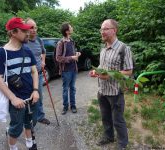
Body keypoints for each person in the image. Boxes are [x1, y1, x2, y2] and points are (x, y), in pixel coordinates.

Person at [0, 17, 39, 150]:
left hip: (31, 97)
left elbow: (34, 72)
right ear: (13, 33)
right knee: (16, 127)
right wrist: (13, 98)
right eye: (24, 31)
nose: (28, 33)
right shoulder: (1, 53)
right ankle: (13, 147)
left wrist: (35, 90)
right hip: (16, 100)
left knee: (30, 122)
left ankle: (29, 142)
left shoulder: (27, 50)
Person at [89, 19, 134, 150]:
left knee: (118, 120)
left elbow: (129, 71)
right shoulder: (103, 49)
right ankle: (108, 136)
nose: (102, 32)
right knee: (105, 117)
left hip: (115, 91)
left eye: (105, 29)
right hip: (102, 90)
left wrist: (109, 75)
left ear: (114, 30)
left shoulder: (124, 49)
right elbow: (101, 66)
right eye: (101, 29)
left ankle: (122, 143)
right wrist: (95, 71)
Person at [25, 18, 50, 125]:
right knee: (26, 98)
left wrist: (43, 61)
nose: (34, 30)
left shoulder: (39, 40)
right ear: (26, 28)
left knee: (38, 96)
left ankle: (40, 116)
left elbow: (43, 52)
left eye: (35, 27)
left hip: (39, 75)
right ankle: (27, 120)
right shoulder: (23, 42)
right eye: (31, 27)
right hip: (26, 76)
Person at [56, 23, 81, 115]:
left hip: (74, 69)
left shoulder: (72, 41)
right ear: (67, 31)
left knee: (73, 88)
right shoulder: (61, 43)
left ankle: (73, 105)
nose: (72, 28)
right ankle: (65, 107)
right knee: (65, 89)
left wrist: (77, 54)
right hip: (66, 70)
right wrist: (71, 58)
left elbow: (72, 53)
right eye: (71, 27)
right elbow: (58, 58)